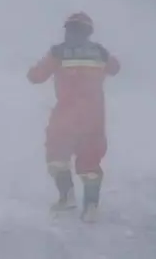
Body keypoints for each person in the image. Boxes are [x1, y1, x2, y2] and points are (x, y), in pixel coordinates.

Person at [27, 12, 120, 223]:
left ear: (68, 30)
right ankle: (91, 207)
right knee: (90, 161)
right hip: (94, 116)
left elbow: (36, 77)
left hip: (66, 114)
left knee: (56, 154)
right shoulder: (100, 53)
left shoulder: (58, 53)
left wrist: (34, 69)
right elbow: (116, 69)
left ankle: (66, 197)